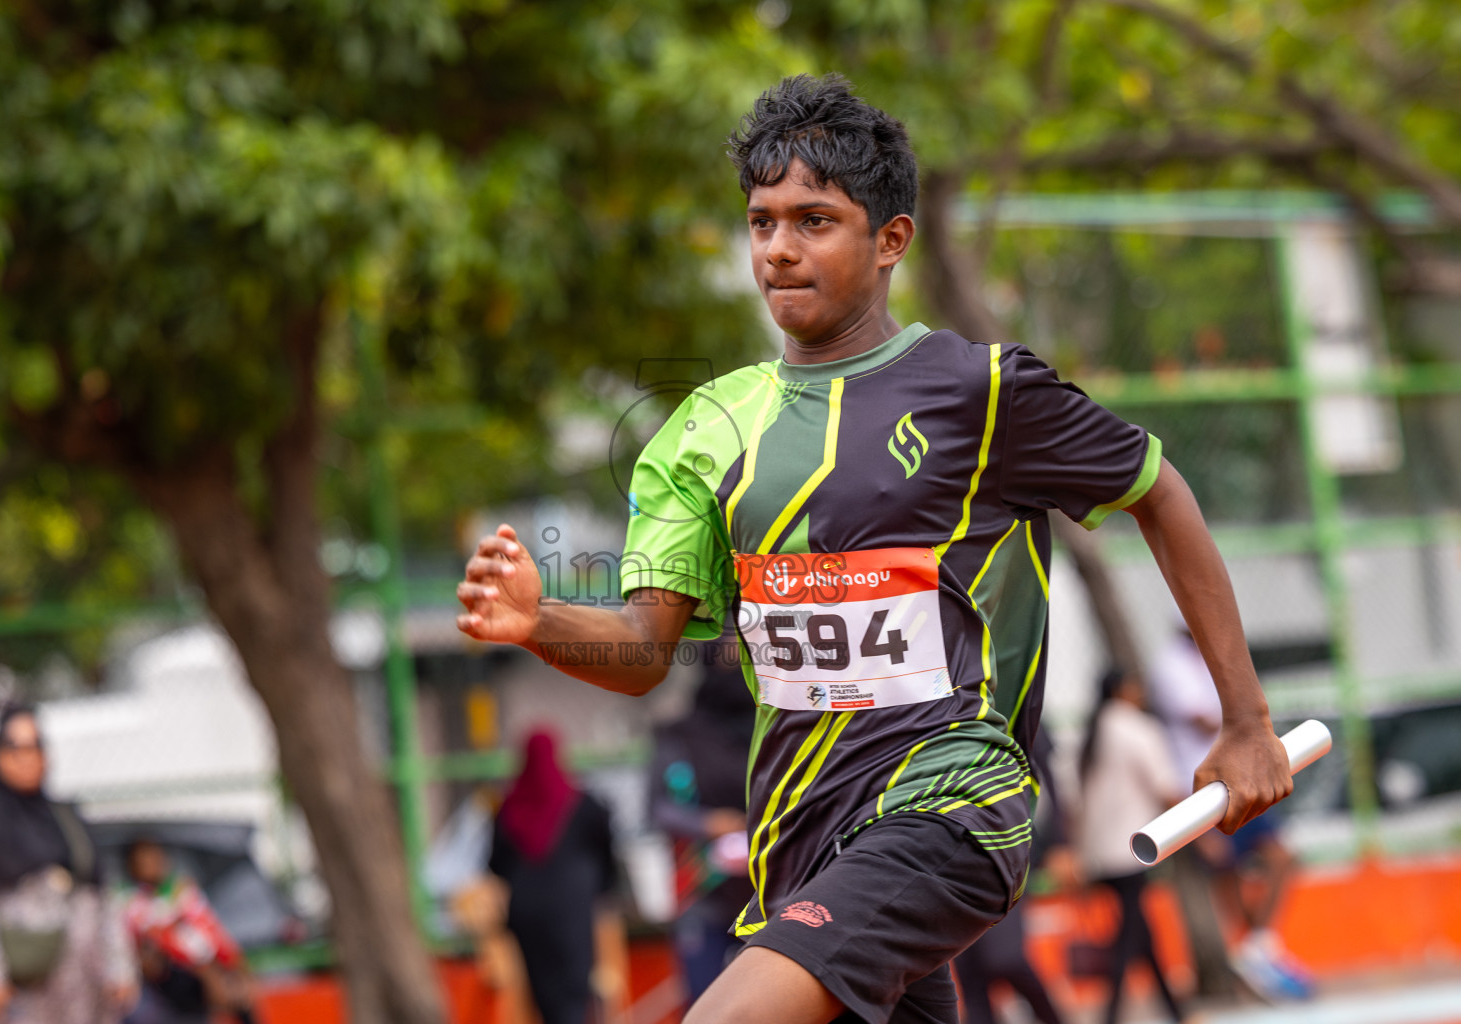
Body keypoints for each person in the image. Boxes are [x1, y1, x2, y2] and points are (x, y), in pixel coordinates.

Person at [457, 73, 1293, 1024]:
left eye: (814, 220)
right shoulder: (709, 429)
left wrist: (1245, 721)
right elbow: (646, 653)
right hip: (803, 846)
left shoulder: (979, 392)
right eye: (761, 222)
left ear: (891, 238)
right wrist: (535, 621)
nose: (778, 249)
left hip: (951, 807)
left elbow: (1161, 494)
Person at [1149, 621, 1312, 1003]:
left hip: (1240, 775)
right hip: (1209, 787)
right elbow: (1206, 719)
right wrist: (1247, 720)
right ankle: (1251, 955)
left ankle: (1258, 947)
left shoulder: (1212, 657)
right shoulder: (1172, 664)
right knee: (1228, 876)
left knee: (1280, 857)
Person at [0, 705, 136, 1024]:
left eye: (35, 746)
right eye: (16, 748)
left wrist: (119, 966)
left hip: (82, 986)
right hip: (22, 992)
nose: (27, 757)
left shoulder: (65, 818)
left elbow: (100, 895)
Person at [648, 639, 755, 1002]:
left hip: (771, 892)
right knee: (707, 1001)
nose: (735, 668)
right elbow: (658, 807)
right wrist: (709, 824)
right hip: (703, 891)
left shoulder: (777, 729)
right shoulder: (680, 736)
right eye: (725, 657)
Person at [1076, 668, 1185, 1024]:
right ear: (1125, 689)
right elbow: (1165, 787)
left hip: (1099, 852)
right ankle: (1111, 1016)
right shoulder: (1137, 728)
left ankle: (1175, 1011)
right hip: (1133, 849)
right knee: (1130, 935)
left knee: (1140, 933)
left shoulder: (1092, 732)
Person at [487, 730, 618, 1024]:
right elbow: (606, 851)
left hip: (526, 912)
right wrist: (603, 888)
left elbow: (495, 863)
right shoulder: (583, 804)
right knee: (575, 991)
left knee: (544, 994)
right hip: (572, 908)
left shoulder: (509, 808)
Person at [952, 732, 1071, 1024]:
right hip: (947, 850)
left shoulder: (1009, 691)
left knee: (1004, 958)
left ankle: (1052, 1017)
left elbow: (1043, 770)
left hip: (1004, 846)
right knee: (971, 973)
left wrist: (1060, 843)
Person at [118, 838, 257, 1024]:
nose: (153, 864)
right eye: (144, 860)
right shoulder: (130, 904)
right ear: (132, 867)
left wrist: (238, 969)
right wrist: (208, 975)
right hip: (170, 985)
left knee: (244, 1001)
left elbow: (213, 932)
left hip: (205, 975)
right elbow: (161, 942)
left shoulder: (184, 891)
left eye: (156, 857)